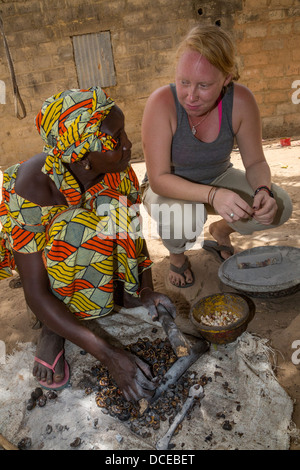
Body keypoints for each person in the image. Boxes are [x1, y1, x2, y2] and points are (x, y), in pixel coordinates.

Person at [0, 87, 176, 402]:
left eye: (124, 134)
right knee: (79, 229)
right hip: (47, 265)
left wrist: (145, 289)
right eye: (116, 138)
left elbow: (133, 236)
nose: (128, 145)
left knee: (113, 212)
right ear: (81, 154)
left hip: (83, 260)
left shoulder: (118, 173)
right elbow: (35, 293)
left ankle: (115, 297)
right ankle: (53, 331)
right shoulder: (31, 187)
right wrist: (108, 356)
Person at [141, 24, 292, 288]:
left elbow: (256, 162)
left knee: (280, 206)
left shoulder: (241, 101)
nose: (190, 95)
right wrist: (213, 195)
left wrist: (263, 189)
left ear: (226, 78)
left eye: (204, 85)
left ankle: (221, 229)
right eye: (183, 82)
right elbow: (158, 179)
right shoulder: (161, 103)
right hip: (168, 185)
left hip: (218, 175)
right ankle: (177, 257)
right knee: (184, 219)